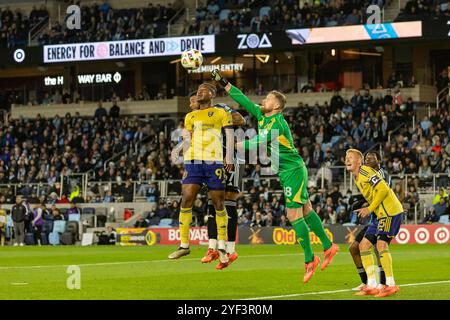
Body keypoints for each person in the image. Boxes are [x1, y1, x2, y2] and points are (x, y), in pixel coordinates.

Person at [212, 69, 338, 284]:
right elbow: (241, 98)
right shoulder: (262, 115)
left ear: (277, 106)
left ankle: (310, 260)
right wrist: (223, 82)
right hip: (286, 170)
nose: (264, 100)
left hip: (293, 170)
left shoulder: (278, 123)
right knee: (306, 210)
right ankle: (328, 246)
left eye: (268, 98)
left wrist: (233, 145)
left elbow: (257, 143)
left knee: (293, 214)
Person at [168, 83, 234, 265]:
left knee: (218, 202)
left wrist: (229, 156)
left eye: (203, 90)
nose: (199, 93)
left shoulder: (220, 112)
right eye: (198, 91)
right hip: (193, 162)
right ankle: (184, 245)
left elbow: (229, 134)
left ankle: (221, 246)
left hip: (214, 161)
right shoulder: (191, 116)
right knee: (186, 198)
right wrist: (178, 149)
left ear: (212, 94)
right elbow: (187, 139)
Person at [345, 149, 403, 297]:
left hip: (390, 211)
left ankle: (390, 285)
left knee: (381, 245)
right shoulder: (357, 177)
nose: (347, 160)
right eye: (346, 157)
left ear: (359, 162)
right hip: (380, 215)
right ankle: (371, 285)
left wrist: (369, 208)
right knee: (363, 245)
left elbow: (383, 188)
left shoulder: (364, 171)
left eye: (350, 157)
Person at [199, 97, 246, 270]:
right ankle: (215, 248)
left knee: (229, 199)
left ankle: (231, 249)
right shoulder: (198, 118)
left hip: (233, 157)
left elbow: (241, 119)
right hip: (213, 159)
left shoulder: (220, 108)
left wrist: (223, 116)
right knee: (213, 200)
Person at [348, 151, 387, 292]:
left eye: (371, 159)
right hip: (373, 220)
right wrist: (360, 202)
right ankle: (366, 282)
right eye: (366, 159)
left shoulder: (381, 174)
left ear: (379, 160)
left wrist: (367, 205)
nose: (368, 161)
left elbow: (382, 192)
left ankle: (383, 283)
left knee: (378, 249)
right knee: (354, 248)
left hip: (383, 217)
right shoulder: (365, 174)